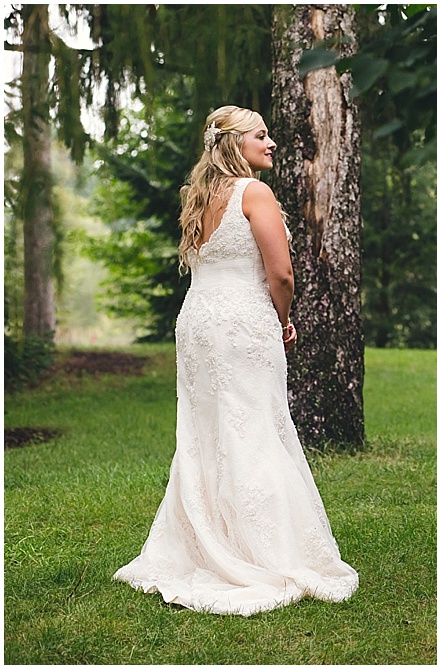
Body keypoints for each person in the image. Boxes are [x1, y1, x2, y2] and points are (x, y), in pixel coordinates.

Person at [114, 105, 359, 615]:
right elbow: (282, 275)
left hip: (198, 323)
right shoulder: (255, 193)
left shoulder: (199, 197)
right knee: (253, 428)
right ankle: (262, 554)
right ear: (234, 144)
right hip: (241, 323)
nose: (271, 143)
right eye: (261, 135)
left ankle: (204, 545)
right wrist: (283, 319)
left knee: (207, 434)